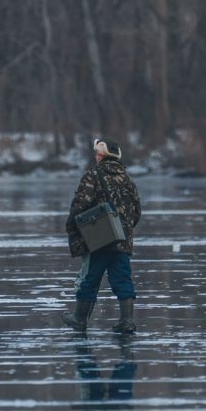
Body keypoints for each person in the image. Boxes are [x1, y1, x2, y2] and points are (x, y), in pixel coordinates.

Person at [61, 137, 141, 333]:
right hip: (122, 240)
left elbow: (79, 206)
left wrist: (73, 230)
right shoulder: (127, 178)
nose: (95, 156)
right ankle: (127, 320)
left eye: (97, 153)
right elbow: (136, 211)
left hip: (99, 239)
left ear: (102, 156)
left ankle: (79, 318)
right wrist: (125, 230)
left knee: (90, 278)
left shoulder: (93, 176)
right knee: (122, 278)